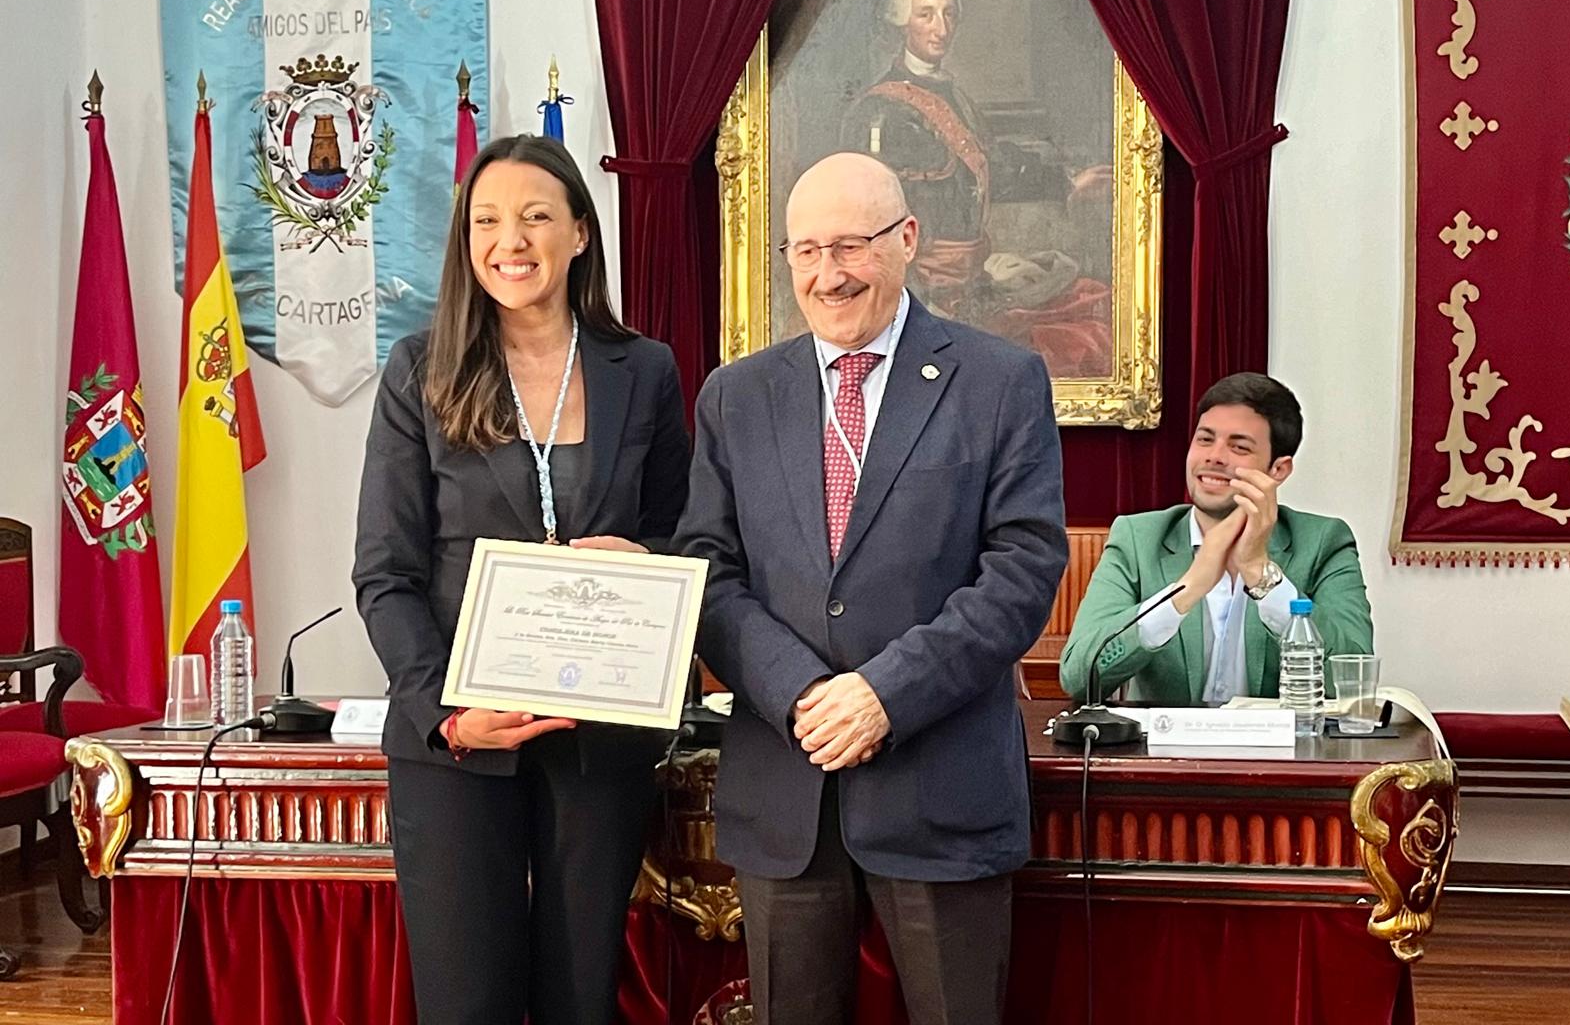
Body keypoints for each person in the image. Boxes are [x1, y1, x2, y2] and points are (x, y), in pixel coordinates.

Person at [677, 151, 1067, 1025]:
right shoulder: (735, 396)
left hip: (940, 786)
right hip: (789, 788)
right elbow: (708, 571)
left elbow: (1022, 571)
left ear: (907, 241)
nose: (828, 273)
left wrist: (885, 695)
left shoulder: (999, 382)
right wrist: (806, 693)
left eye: (851, 246)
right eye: (806, 250)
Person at [353, 135, 690, 1025]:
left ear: (580, 232)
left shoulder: (644, 370)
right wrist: (449, 715)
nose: (513, 239)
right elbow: (386, 572)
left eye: (538, 216)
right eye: (489, 221)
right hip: (458, 745)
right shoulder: (420, 372)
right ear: (467, 242)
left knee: (583, 1000)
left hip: (600, 734)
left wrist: (650, 563)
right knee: (468, 1003)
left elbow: (684, 537)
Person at [840, 0, 1111, 373]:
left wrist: (1068, 181)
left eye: (949, 15)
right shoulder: (881, 112)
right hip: (924, 284)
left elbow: (990, 166)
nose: (941, 28)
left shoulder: (951, 93)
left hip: (970, 274)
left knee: (1091, 299)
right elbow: (874, 216)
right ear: (902, 23)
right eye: (926, 15)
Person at [1060, 372, 1374, 707]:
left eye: (1239, 447)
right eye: (1205, 440)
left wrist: (1259, 571)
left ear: (1278, 470)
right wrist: (1190, 586)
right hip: (1165, 756)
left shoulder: (1324, 542)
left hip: (1279, 756)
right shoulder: (1138, 540)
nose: (1214, 457)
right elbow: (1080, 676)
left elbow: (1351, 682)